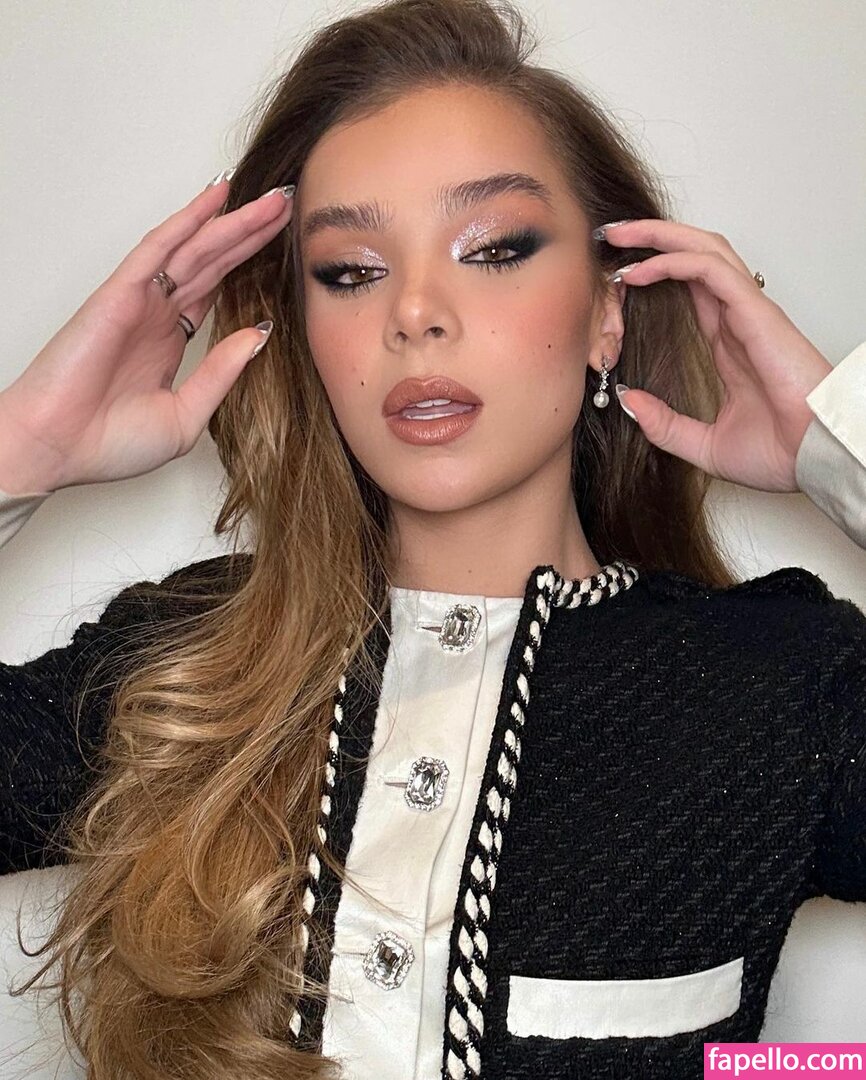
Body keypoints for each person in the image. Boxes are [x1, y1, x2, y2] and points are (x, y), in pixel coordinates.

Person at [0, 0, 864, 1077]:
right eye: (349, 271)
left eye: (493, 248)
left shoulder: (775, 687)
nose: (414, 312)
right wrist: (23, 448)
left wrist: (839, 443)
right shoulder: (179, 669)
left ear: (607, 313)